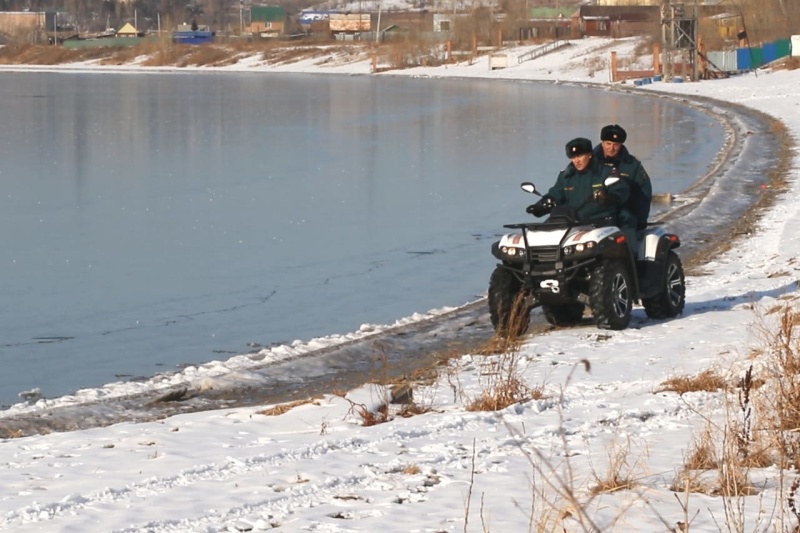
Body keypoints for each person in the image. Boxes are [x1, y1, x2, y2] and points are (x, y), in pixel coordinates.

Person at [529, 137, 630, 227]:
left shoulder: (605, 172)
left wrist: (607, 198)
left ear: (590, 155)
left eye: (580, 156)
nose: (577, 160)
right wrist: (540, 206)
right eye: (573, 157)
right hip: (572, 224)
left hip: (601, 224)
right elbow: (556, 194)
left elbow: (621, 192)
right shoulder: (566, 176)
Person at [593, 124, 653, 232]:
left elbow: (644, 193)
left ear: (621, 145)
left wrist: (641, 220)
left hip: (624, 215)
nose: (611, 148)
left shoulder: (632, 165)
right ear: (602, 143)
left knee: (628, 232)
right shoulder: (589, 164)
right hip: (594, 215)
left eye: (615, 145)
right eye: (608, 144)